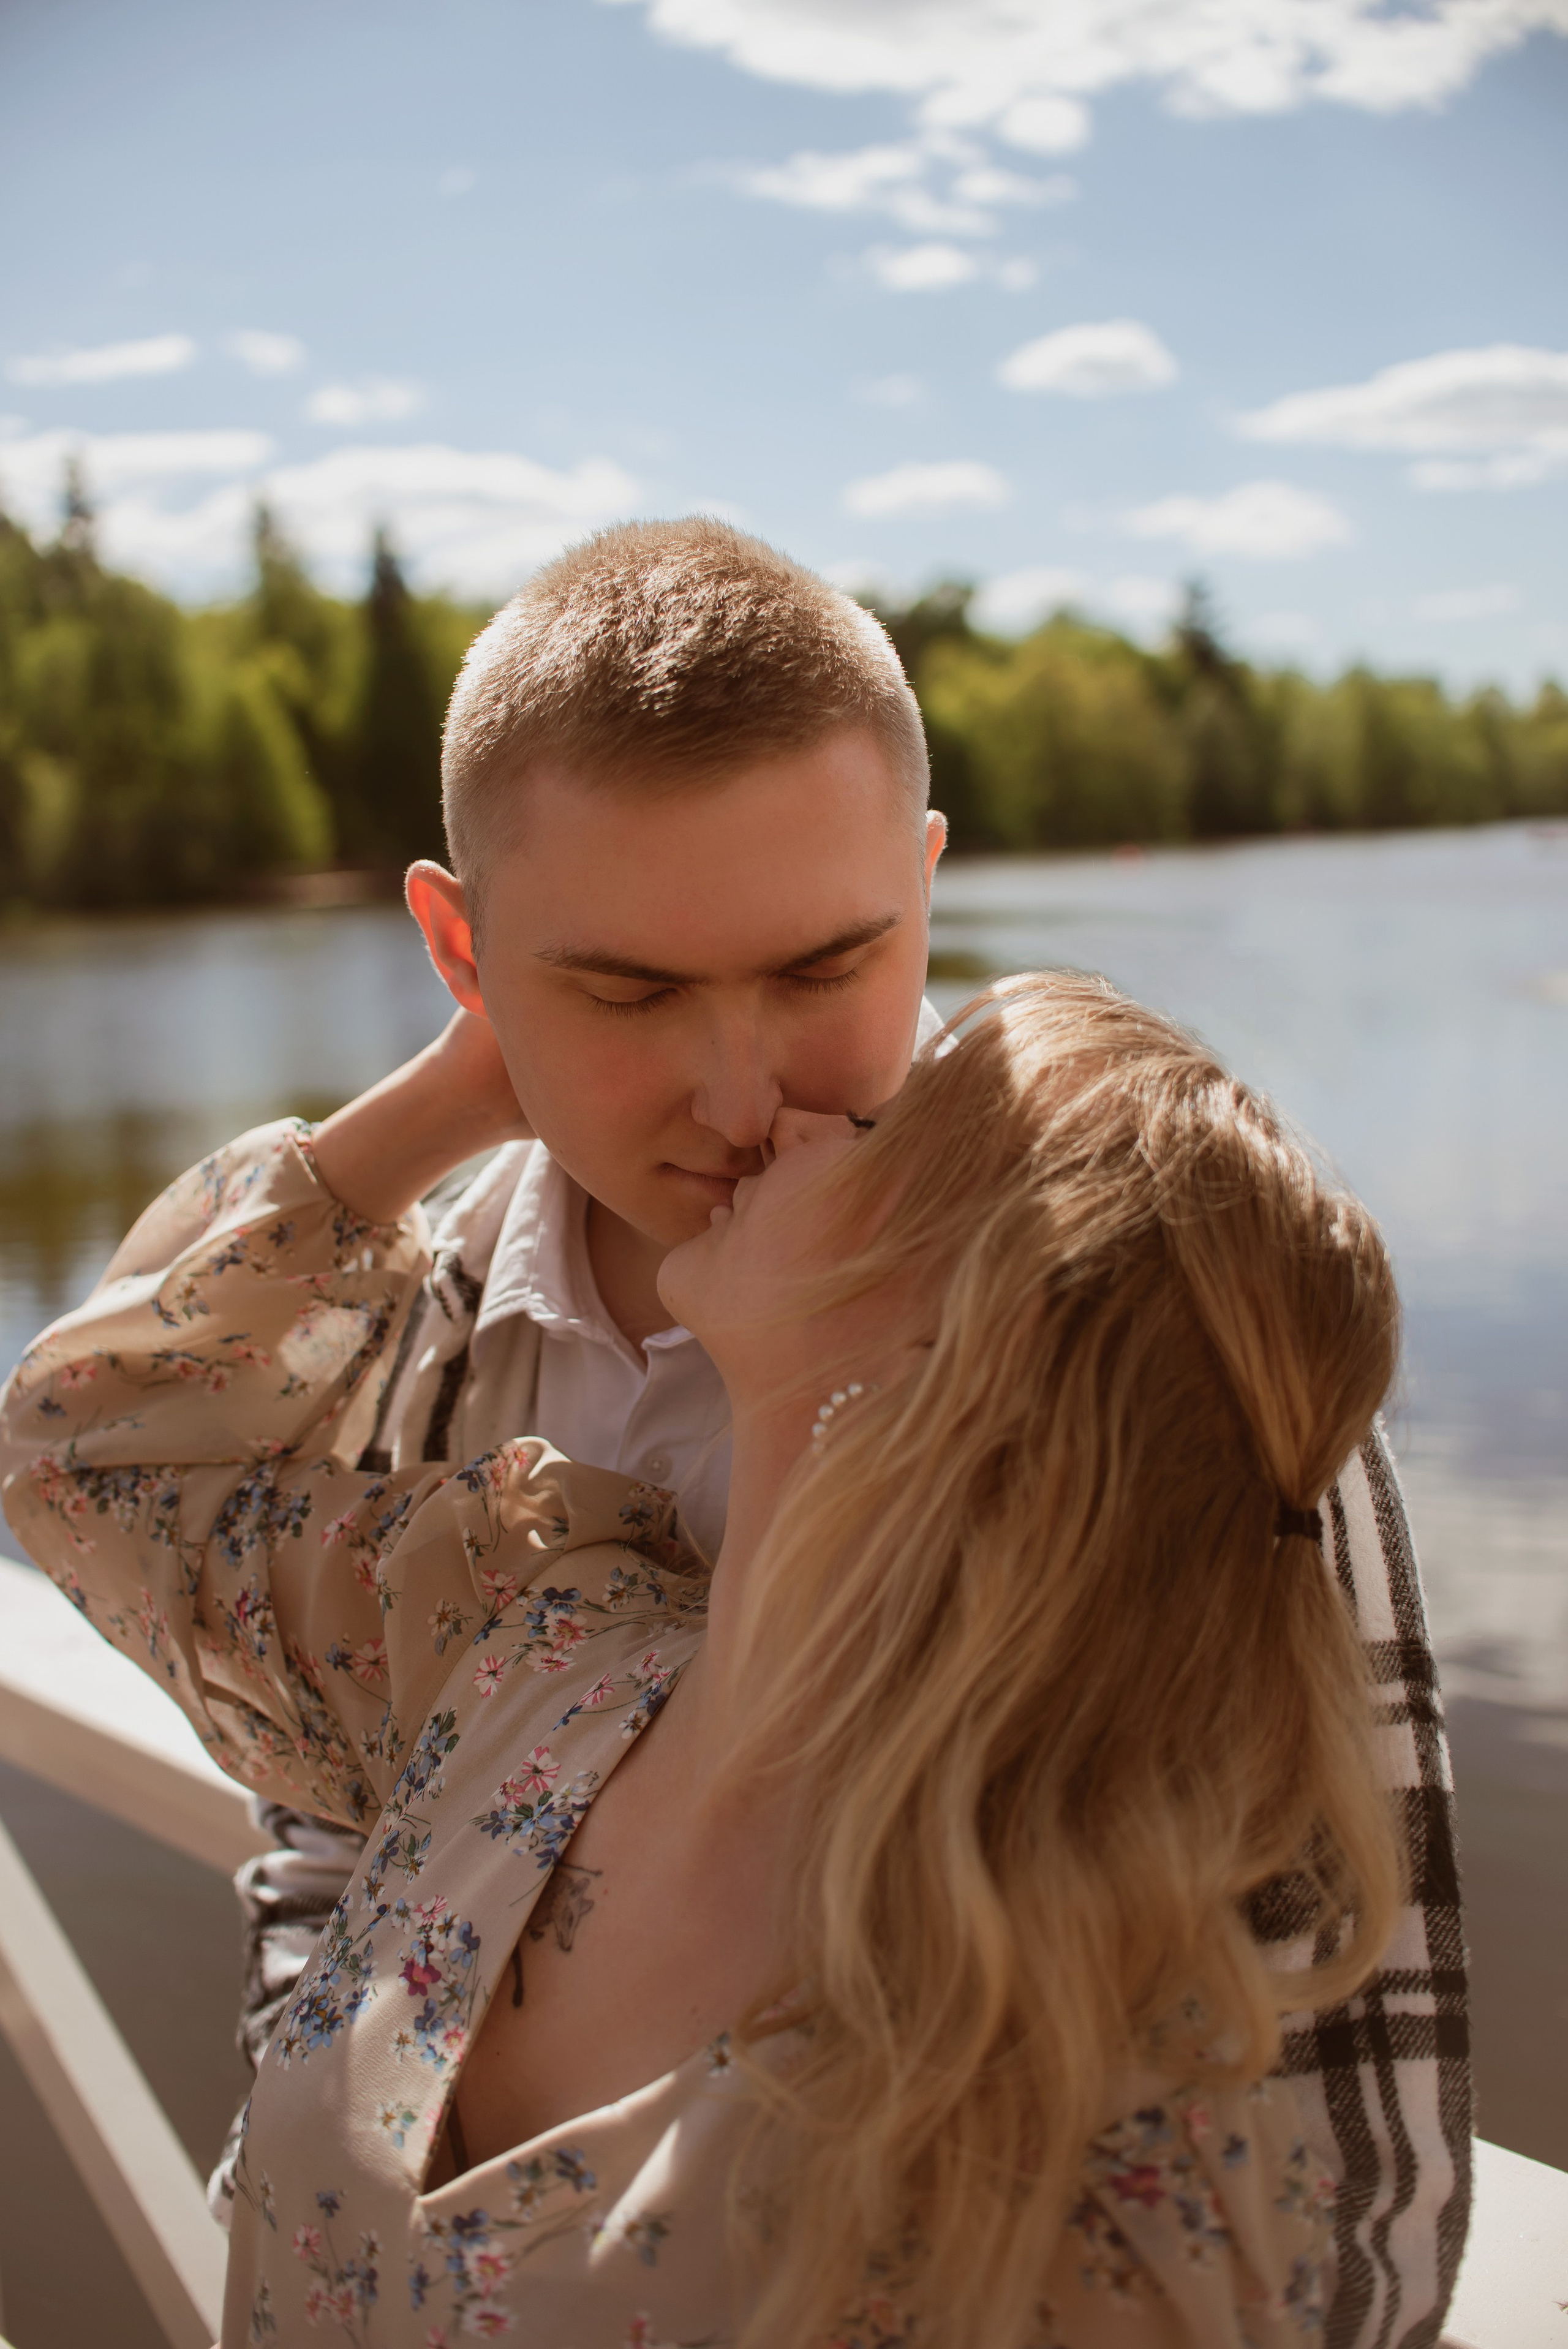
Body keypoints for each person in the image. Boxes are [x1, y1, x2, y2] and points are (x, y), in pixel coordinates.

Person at [0, 519, 1467, 2344]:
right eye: (623, 990)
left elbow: (1347, 2112)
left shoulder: (1130, 1330)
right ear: (463, 953)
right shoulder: (424, 1332)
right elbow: (320, 1846)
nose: (739, 1092)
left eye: (822, 968)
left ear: (925, 892)